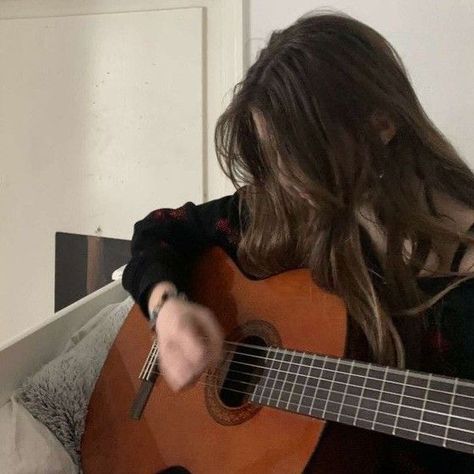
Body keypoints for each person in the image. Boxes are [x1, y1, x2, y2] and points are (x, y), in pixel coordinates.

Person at [122, 11, 474, 472]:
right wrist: (166, 309)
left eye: (299, 153)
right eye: (273, 156)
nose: (287, 178)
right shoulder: (293, 206)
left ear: (383, 124)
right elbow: (160, 230)